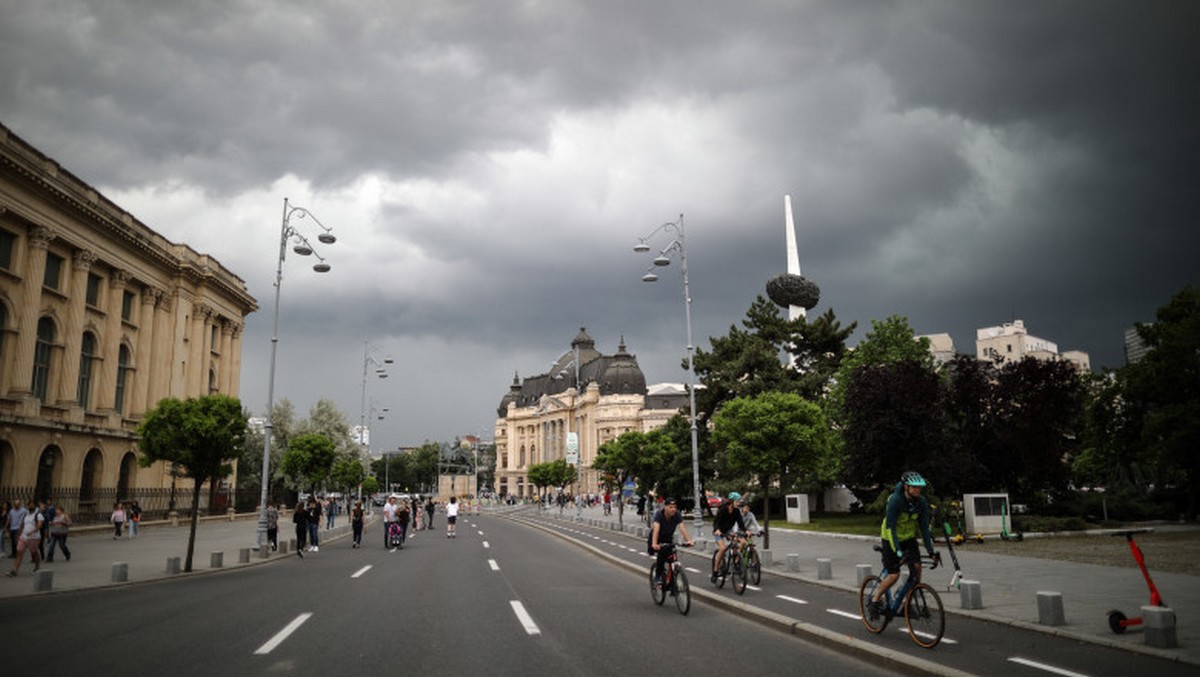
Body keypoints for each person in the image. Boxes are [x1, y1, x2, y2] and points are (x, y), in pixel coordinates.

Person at [866, 471, 940, 620]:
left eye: (920, 488)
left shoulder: (921, 502)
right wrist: (898, 552)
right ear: (906, 486)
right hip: (890, 538)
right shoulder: (895, 500)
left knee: (917, 568)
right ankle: (874, 601)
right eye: (914, 487)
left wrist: (931, 551)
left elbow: (924, 529)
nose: (918, 490)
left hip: (908, 538)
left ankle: (906, 602)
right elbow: (890, 528)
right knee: (894, 575)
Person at [646, 497, 694, 585]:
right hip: (656, 538)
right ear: (665, 507)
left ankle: (672, 583)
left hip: (668, 538)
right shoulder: (659, 515)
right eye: (671, 507)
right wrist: (654, 543)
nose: (673, 509)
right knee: (661, 555)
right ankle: (658, 576)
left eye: (675, 507)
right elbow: (656, 529)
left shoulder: (677, 515)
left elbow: (682, 528)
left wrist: (689, 540)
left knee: (672, 556)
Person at [711, 492, 747, 582]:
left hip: (728, 531)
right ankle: (715, 570)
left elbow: (741, 524)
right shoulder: (723, 510)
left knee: (743, 542)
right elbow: (716, 522)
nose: (739, 503)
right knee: (722, 548)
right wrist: (717, 530)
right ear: (731, 501)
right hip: (718, 531)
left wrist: (746, 531)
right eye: (737, 501)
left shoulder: (736, 511)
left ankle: (736, 561)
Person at [7, 501, 42, 576]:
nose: (30, 507)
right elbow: (22, 525)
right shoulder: (26, 515)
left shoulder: (38, 515)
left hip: (34, 537)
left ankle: (37, 567)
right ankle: (14, 570)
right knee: (19, 552)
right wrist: (19, 534)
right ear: (27, 506)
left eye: (32, 506)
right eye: (29, 505)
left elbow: (39, 525)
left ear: (34, 507)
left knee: (34, 552)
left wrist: (32, 531)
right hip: (24, 537)